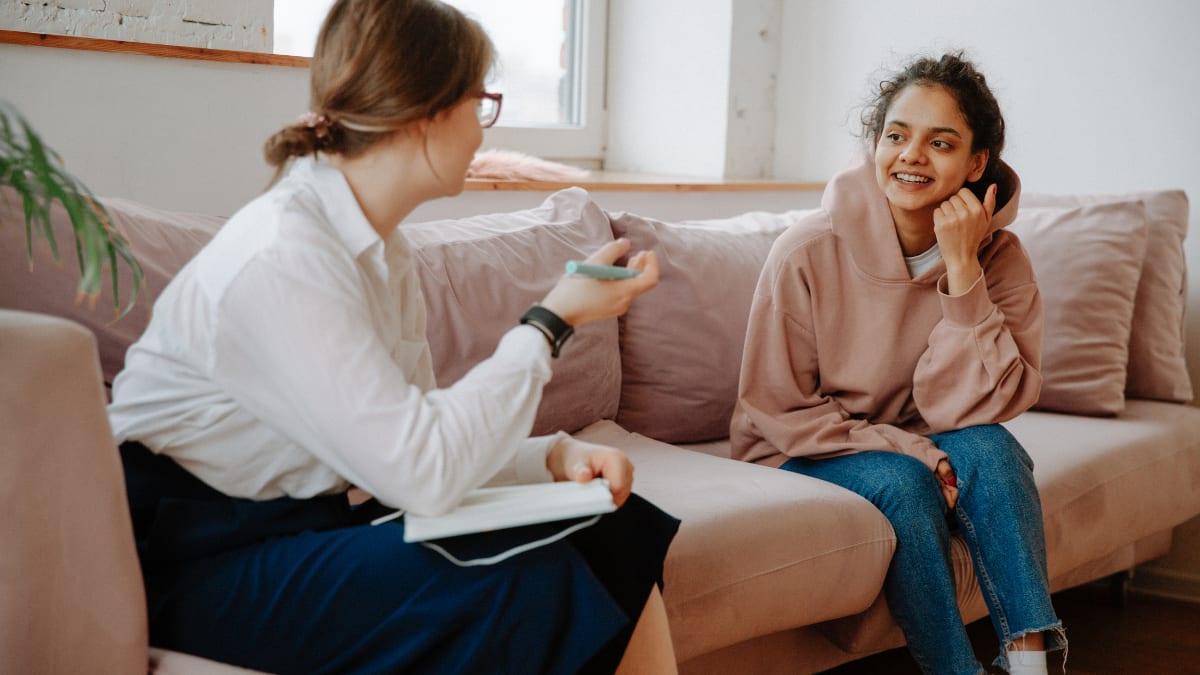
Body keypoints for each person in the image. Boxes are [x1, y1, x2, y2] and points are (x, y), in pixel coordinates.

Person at [107, 1, 680, 673]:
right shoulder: (286, 254)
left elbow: (413, 437)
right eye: (480, 102)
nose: (481, 130)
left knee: (613, 524)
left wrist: (550, 457)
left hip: (297, 528)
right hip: (194, 560)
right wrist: (550, 321)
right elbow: (424, 473)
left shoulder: (382, 250)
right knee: (525, 578)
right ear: (426, 113)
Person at [730, 52, 1066, 675]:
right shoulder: (804, 251)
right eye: (896, 135)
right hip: (801, 448)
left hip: (917, 436)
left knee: (992, 449)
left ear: (976, 163)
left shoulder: (1001, 259)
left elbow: (983, 408)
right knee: (907, 485)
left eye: (940, 142)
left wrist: (963, 273)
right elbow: (776, 407)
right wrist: (915, 452)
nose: (911, 155)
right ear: (874, 145)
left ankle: (1031, 664)